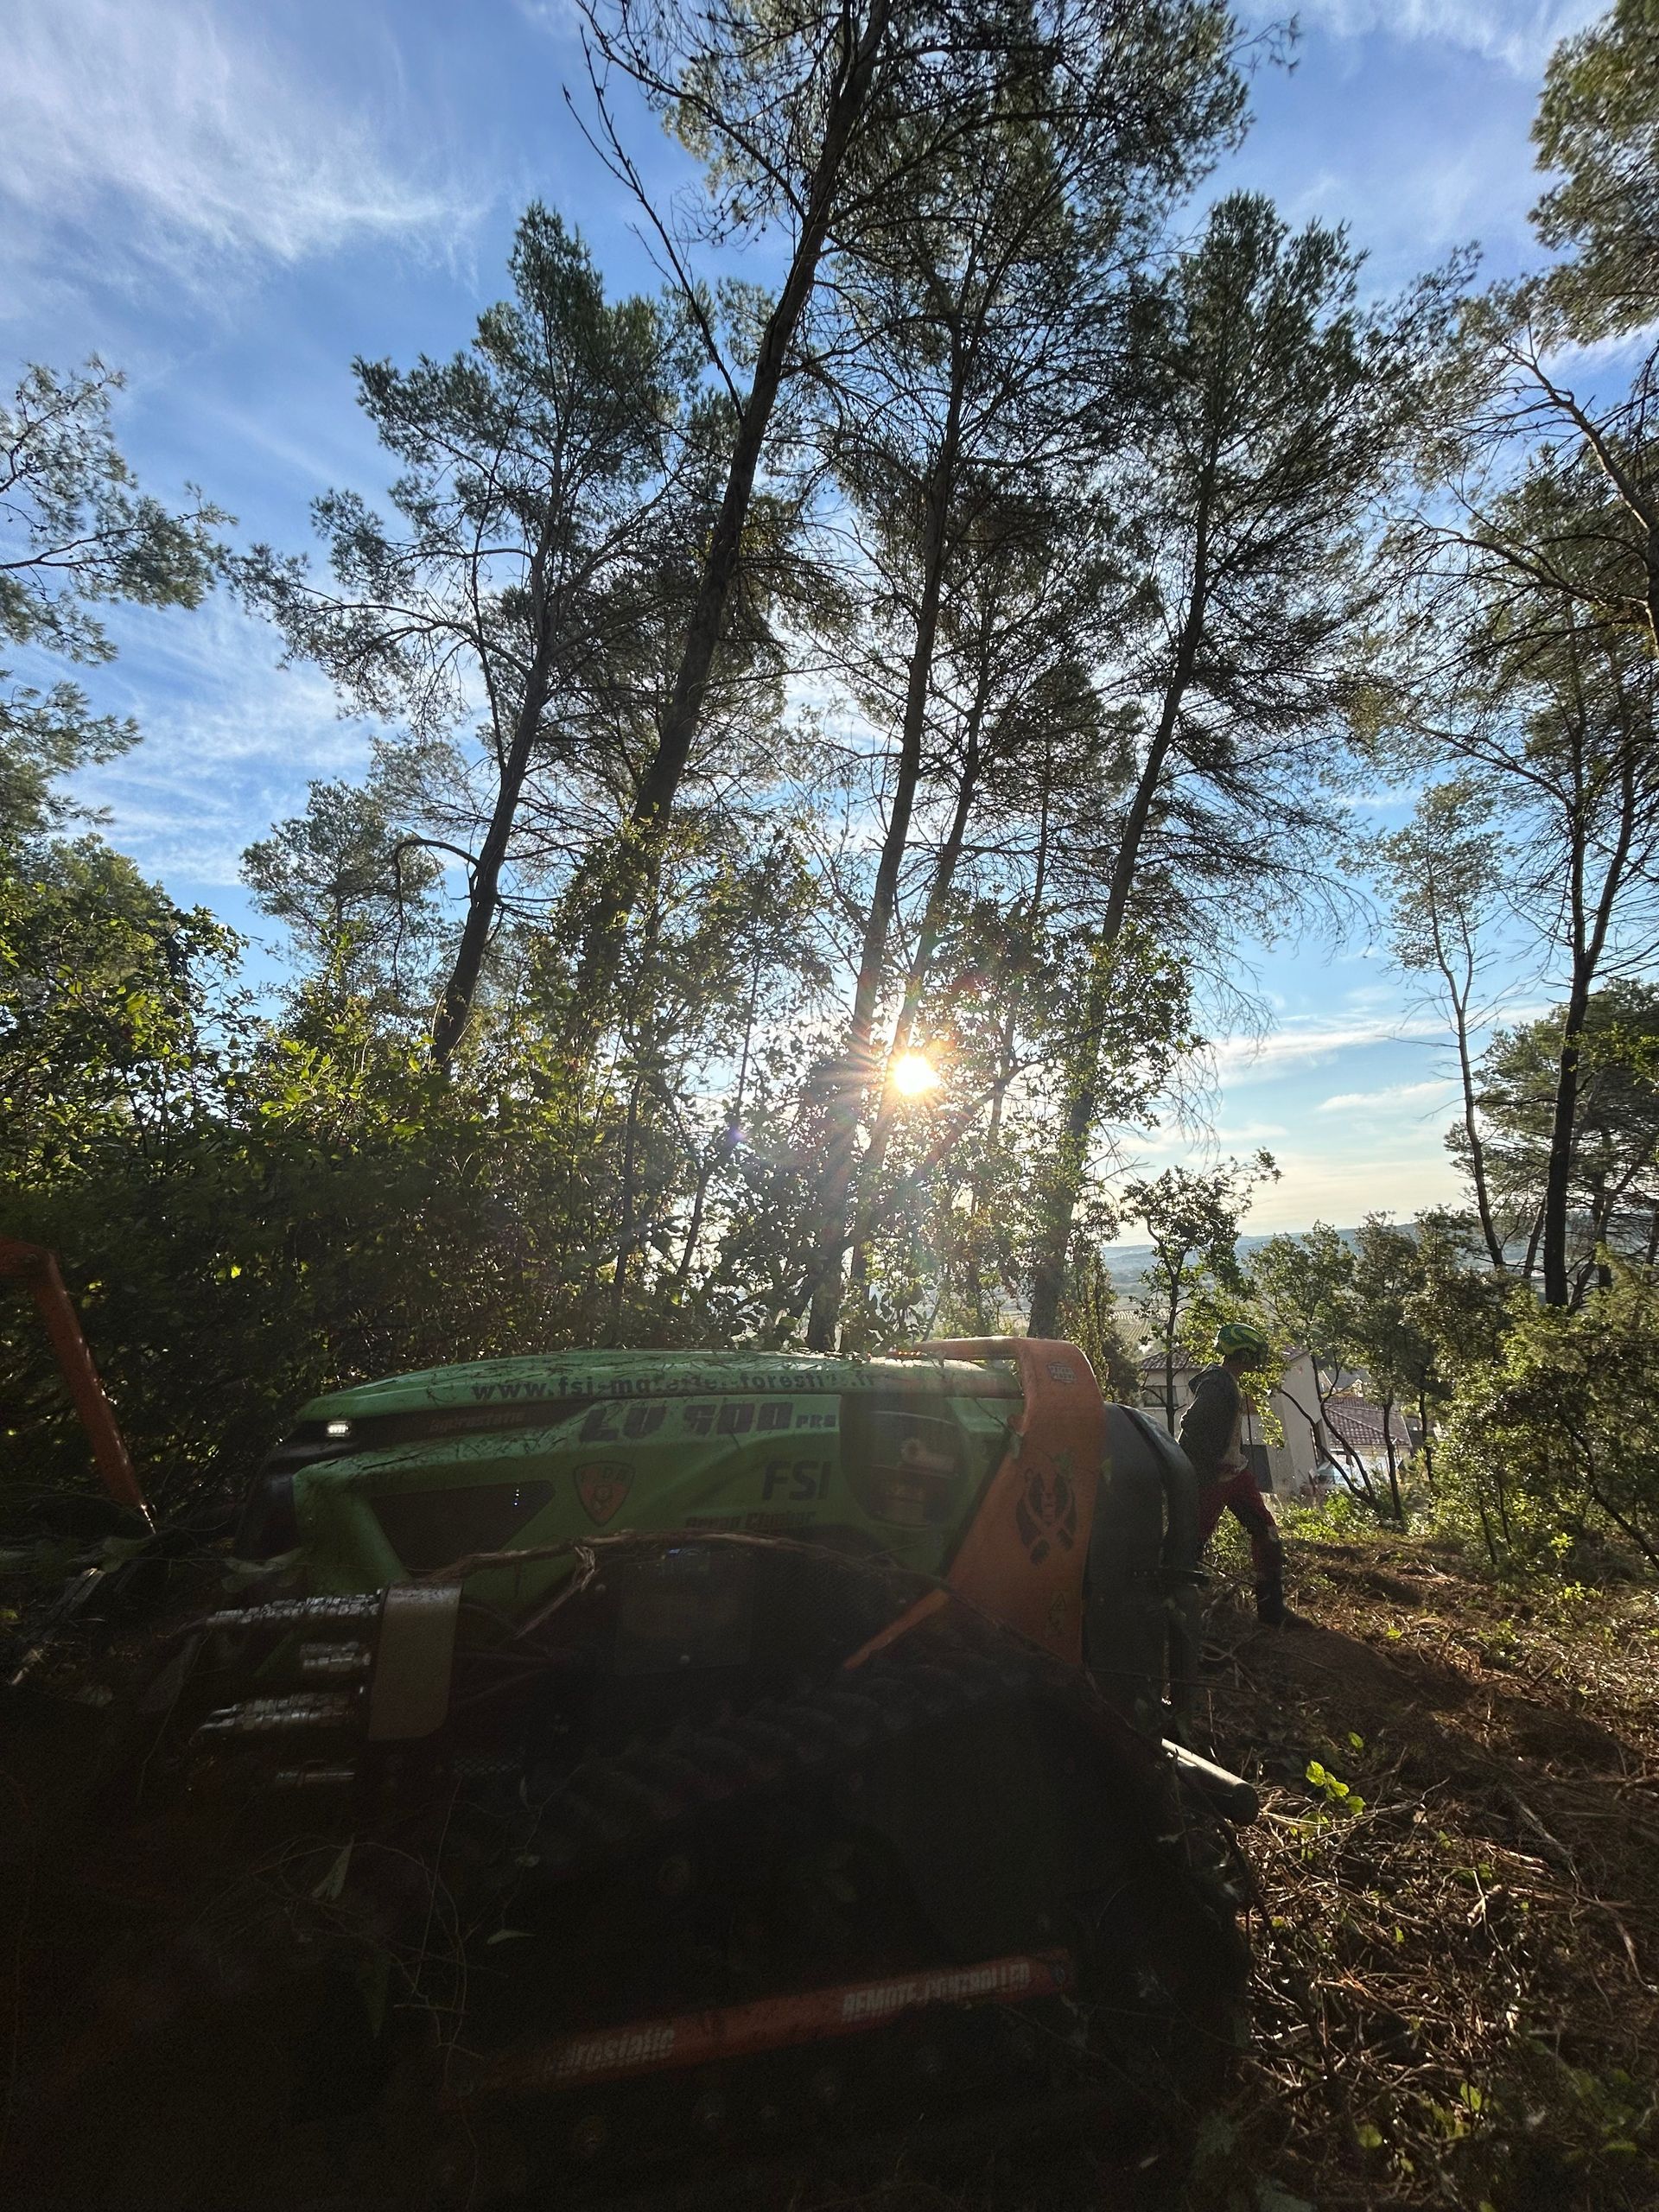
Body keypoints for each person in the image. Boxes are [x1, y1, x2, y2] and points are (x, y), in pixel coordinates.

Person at [1178, 1319, 1287, 1626]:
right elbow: (1192, 1426)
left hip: (1234, 1474)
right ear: (1243, 1353)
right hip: (1212, 1479)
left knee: (1266, 1532)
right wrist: (1208, 1469)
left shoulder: (1225, 1381)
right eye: (1254, 1354)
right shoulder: (1217, 1385)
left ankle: (1272, 1611)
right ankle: (1178, 1611)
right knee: (1191, 1545)